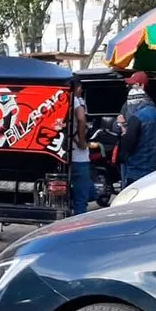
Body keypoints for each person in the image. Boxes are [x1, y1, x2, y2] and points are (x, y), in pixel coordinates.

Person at [118, 72, 156, 187]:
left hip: (136, 168)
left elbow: (128, 143)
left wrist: (124, 129)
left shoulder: (137, 117)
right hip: (153, 166)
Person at [70, 85, 92, 214]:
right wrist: (82, 141)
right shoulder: (75, 100)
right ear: (77, 87)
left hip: (56, 156)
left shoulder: (55, 98)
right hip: (78, 157)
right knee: (81, 199)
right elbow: (81, 118)